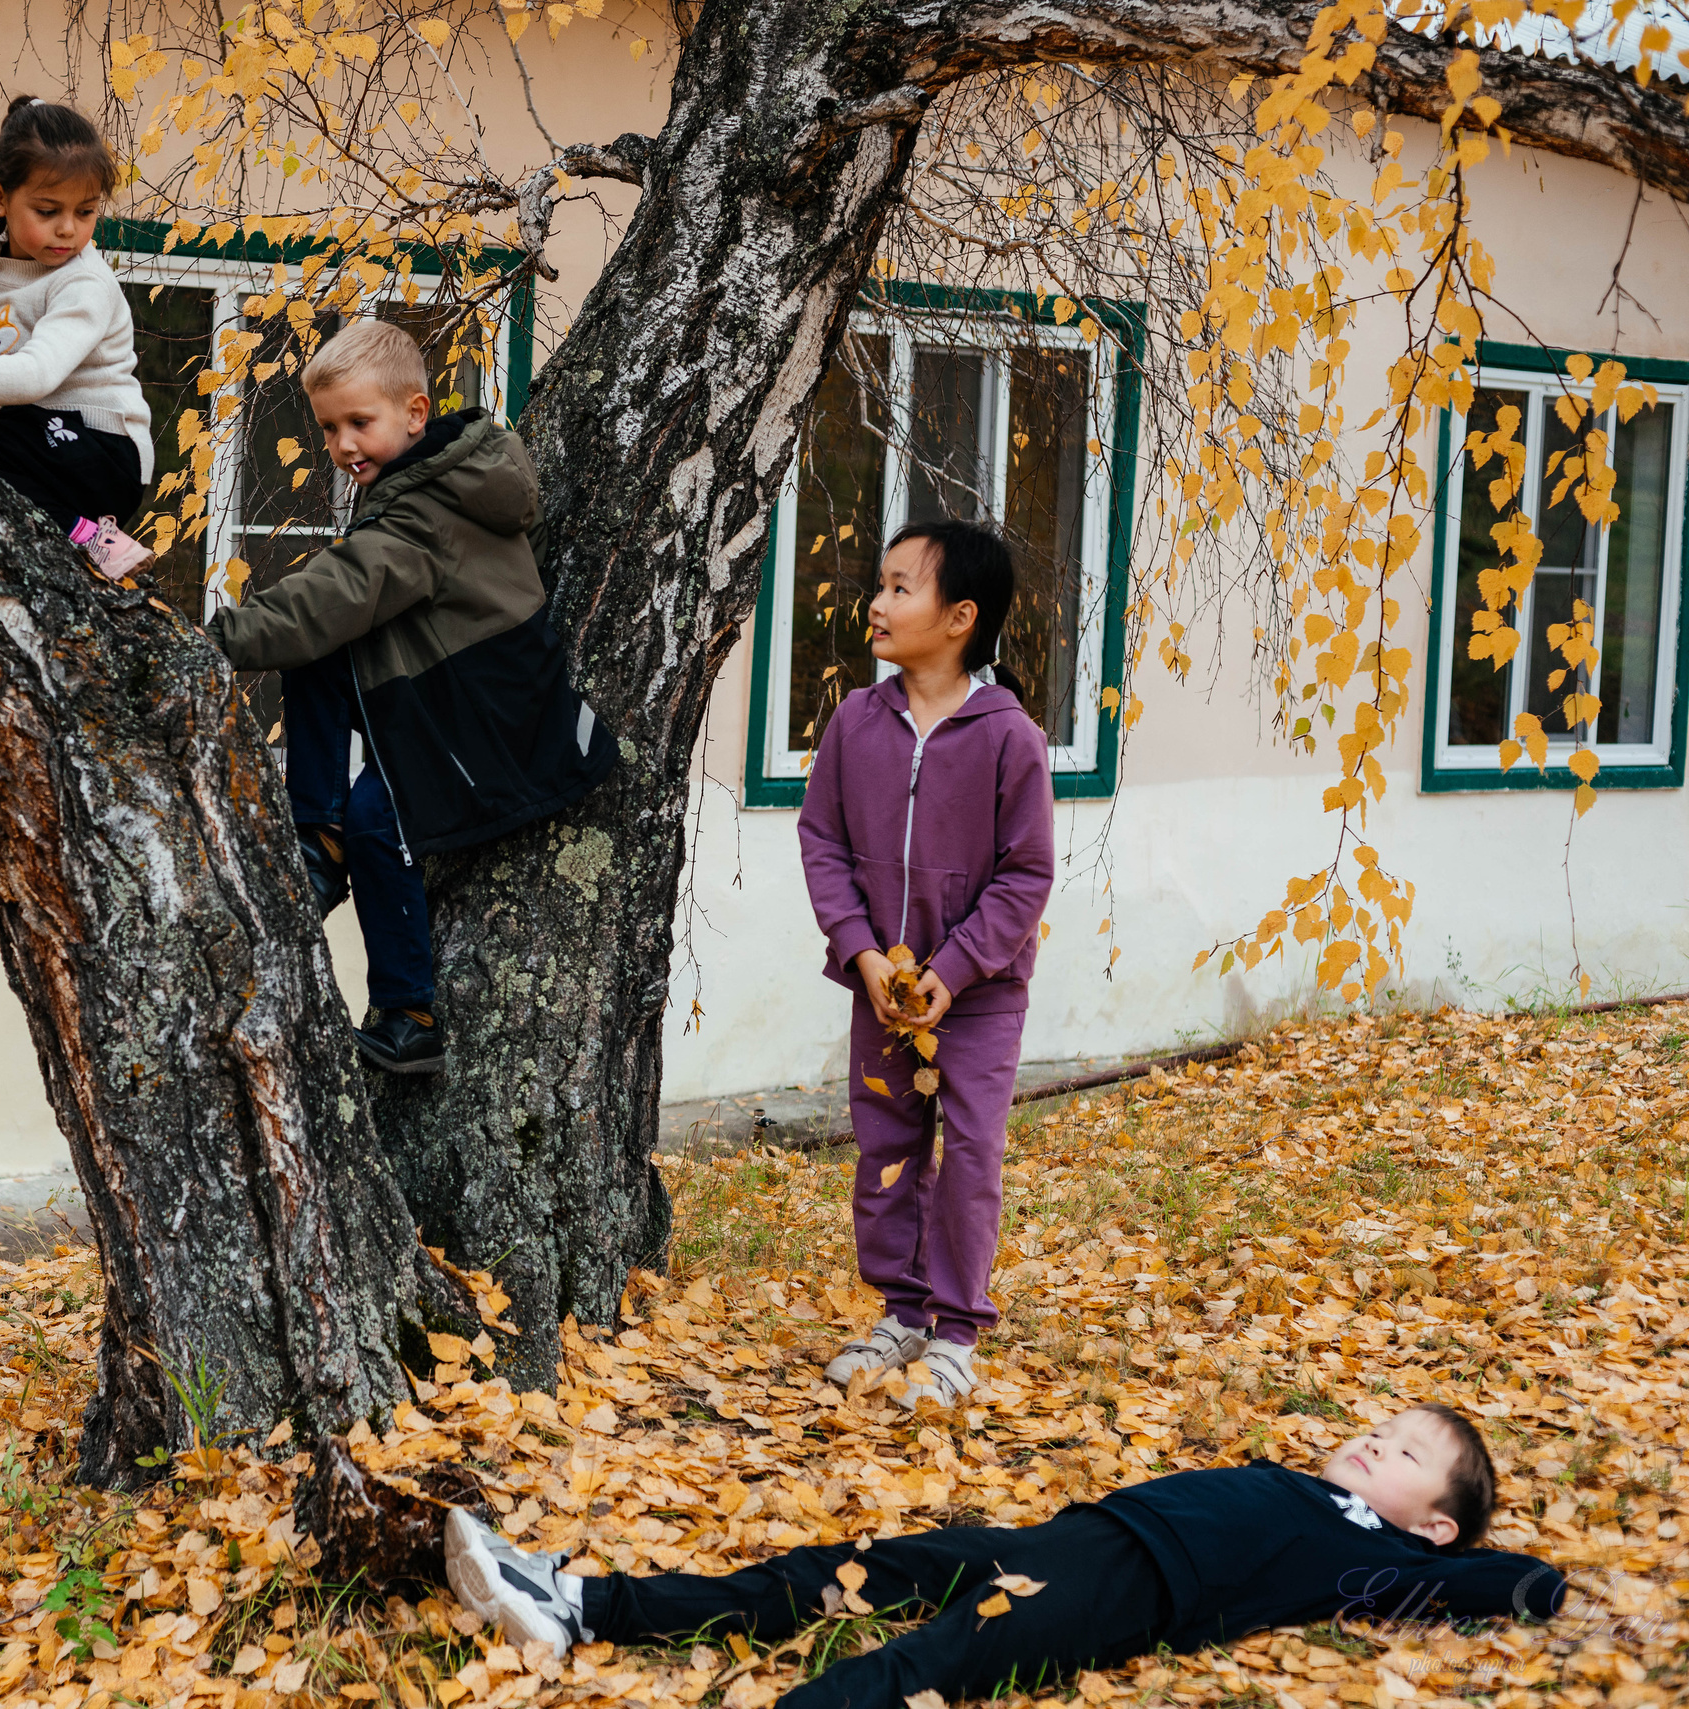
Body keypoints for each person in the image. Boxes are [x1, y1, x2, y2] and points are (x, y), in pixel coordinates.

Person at [445, 1404, 1566, 1709]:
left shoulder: (1365, 1553)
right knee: (848, 1566)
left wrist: (1483, 1566)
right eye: (1384, 1424)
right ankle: (583, 1601)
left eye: (1407, 1451)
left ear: (1432, 1523)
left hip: (1125, 1588)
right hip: (1070, 1535)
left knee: (922, 1663)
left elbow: (1515, 1584)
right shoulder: (1304, 1485)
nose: (1376, 1439)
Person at [205, 318, 617, 1074]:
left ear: (416, 413)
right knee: (320, 653)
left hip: (488, 723)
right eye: (328, 429)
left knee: (376, 817)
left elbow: (336, 594)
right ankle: (317, 834)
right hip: (459, 697)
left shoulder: (424, 508)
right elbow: (339, 604)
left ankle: (408, 1012)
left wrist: (214, 642)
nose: (341, 445)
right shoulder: (437, 479)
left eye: (359, 423)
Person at [795, 519, 1056, 1410]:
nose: (877, 601)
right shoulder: (856, 722)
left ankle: (954, 1334)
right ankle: (901, 1312)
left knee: (971, 1153)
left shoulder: (1007, 735)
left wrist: (959, 966)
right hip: (882, 993)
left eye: (902, 587)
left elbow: (1027, 872)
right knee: (887, 1150)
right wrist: (862, 954)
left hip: (978, 998)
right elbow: (822, 840)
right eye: (881, 583)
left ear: (960, 617)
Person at [0, 96, 152, 580]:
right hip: (44, 441)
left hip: (104, 452)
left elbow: (35, 374)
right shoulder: (0, 274)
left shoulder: (84, 283)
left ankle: (89, 537)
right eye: (48, 210)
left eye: (86, 212)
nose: (68, 229)